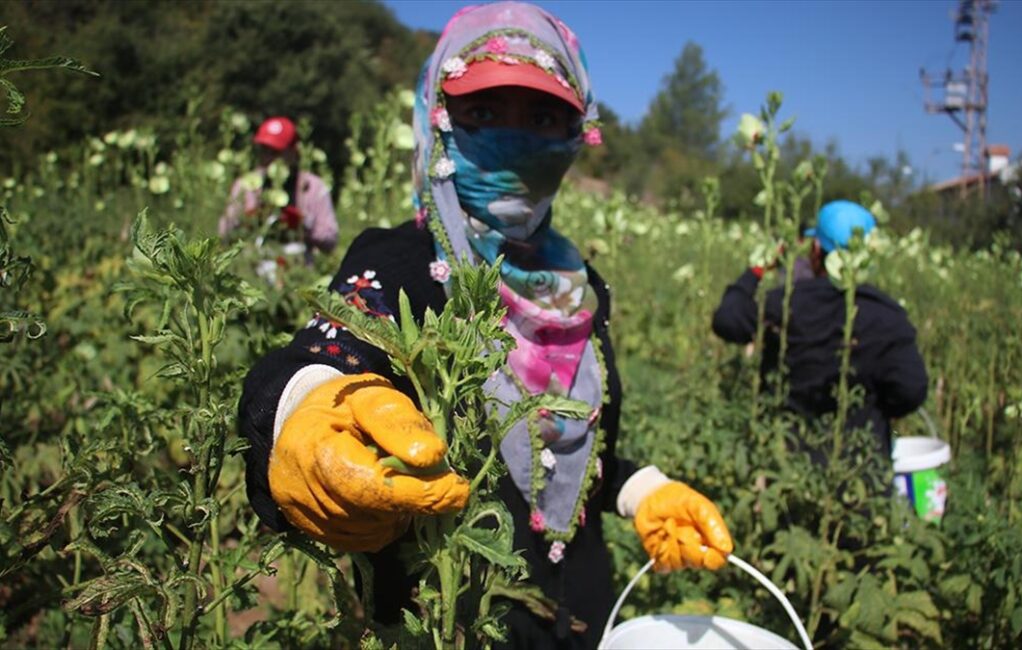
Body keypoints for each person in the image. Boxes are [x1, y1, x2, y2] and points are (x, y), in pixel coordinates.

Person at [237, 4, 733, 648]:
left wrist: (645, 489)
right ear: (436, 120)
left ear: (577, 131)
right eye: (483, 113)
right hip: (447, 617)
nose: (515, 141)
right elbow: (329, 351)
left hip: (582, 612)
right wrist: (303, 402)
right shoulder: (398, 261)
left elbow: (571, 452)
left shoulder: (580, 286)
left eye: (543, 118)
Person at [711, 200, 929, 459]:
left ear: (815, 249)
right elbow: (911, 391)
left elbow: (727, 320)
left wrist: (758, 268)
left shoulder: (785, 303)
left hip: (785, 463)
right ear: (868, 254)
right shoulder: (888, 316)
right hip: (860, 468)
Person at [218, 116, 339, 268]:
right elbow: (224, 233)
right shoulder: (246, 185)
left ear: (293, 152)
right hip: (253, 268)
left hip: (296, 270)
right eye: (264, 150)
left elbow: (330, 239)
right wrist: (248, 220)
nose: (268, 158)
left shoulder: (313, 187)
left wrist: (302, 225)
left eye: (275, 152)